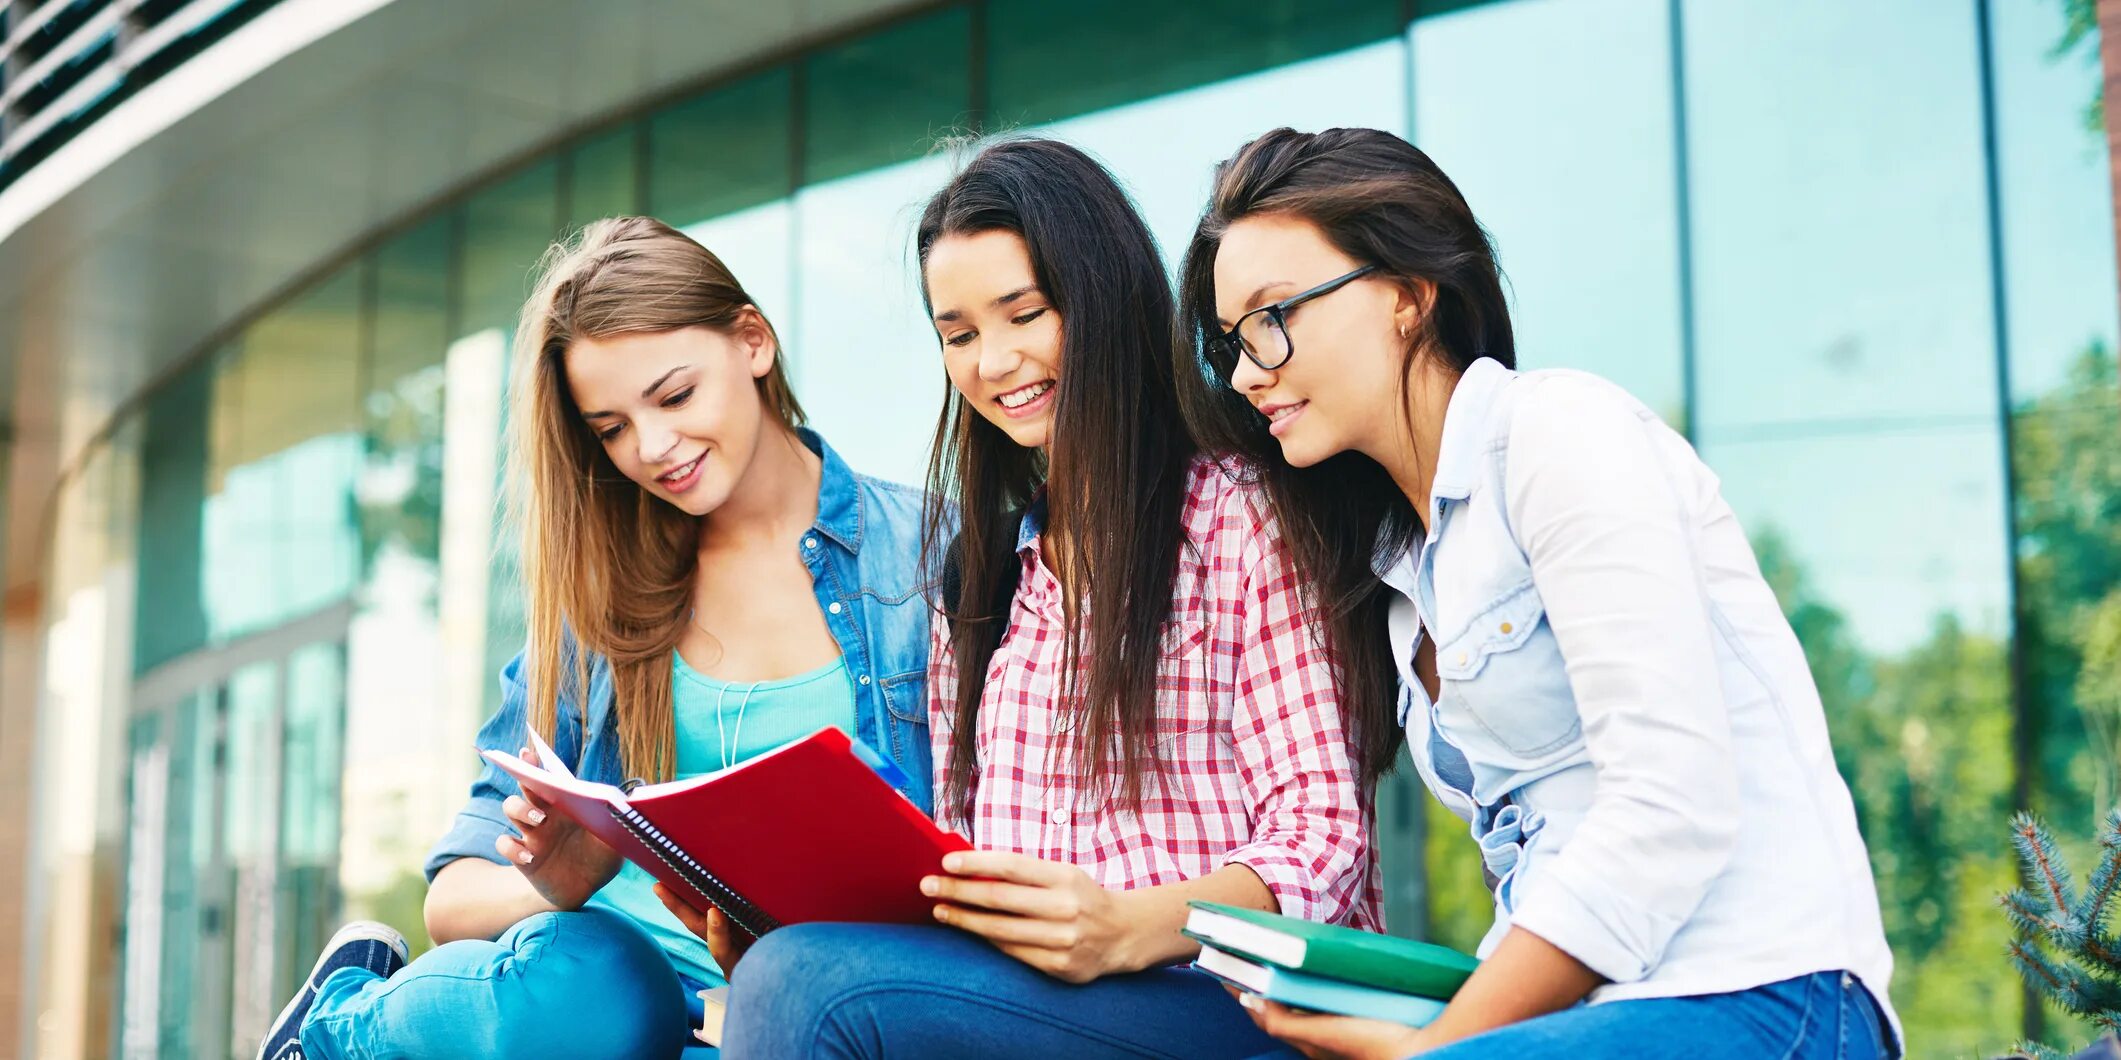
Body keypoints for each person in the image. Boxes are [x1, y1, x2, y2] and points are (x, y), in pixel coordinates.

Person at [1172, 126, 1901, 1059]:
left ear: (1405, 292)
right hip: (1587, 1021)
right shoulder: (1397, 580)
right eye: (1231, 340)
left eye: (1274, 316)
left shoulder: (1559, 432)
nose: (1244, 369)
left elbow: (1671, 806)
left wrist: (1439, 1048)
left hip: (1762, 996)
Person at [713, 137, 1388, 1059]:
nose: (993, 362)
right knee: (787, 965)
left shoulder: (1239, 515)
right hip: (1038, 1009)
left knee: (808, 987)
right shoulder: (978, 578)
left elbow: (1322, 841)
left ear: (1100, 300)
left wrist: (1126, 925)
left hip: (1231, 1006)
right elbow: (961, 863)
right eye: (957, 334)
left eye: (1022, 314)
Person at [255, 216, 937, 1060]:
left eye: (675, 396)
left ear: (751, 341)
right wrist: (561, 884)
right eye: (610, 429)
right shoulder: (605, 604)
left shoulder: (934, 556)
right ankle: (332, 1031)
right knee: (595, 984)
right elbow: (453, 899)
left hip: (818, 1015)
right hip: (619, 1015)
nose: (652, 449)